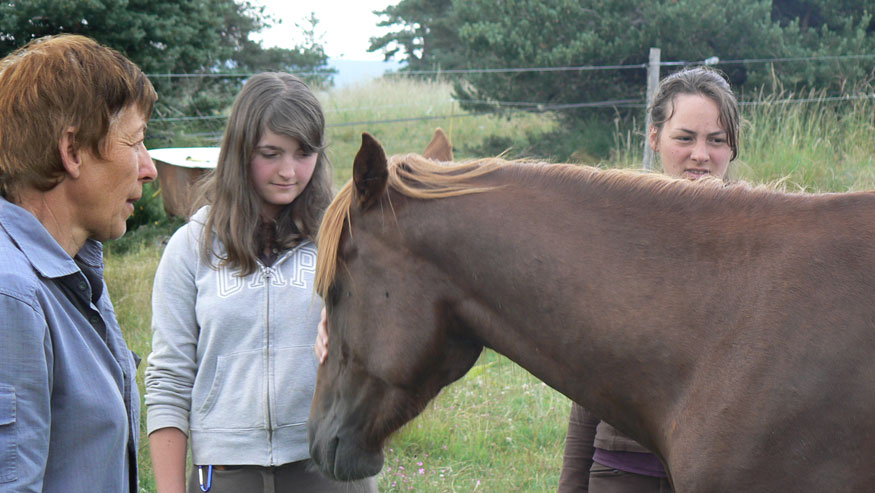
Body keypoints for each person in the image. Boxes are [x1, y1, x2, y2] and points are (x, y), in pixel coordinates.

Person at [144, 72, 377, 493]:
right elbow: (169, 379)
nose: (289, 171)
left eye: (304, 153)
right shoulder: (189, 249)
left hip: (329, 467)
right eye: (271, 153)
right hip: (226, 474)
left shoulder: (344, 240)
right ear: (239, 152)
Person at [557, 66, 740, 492]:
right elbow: (588, 382)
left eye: (716, 140)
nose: (700, 155)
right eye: (685, 138)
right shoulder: (618, 240)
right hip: (624, 471)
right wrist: (571, 485)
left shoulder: (765, 241)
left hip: (728, 472)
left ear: (732, 147)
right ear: (654, 137)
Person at [0, 34, 157, 491]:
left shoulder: (71, 271)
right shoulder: (13, 296)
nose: (148, 169)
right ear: (72, 152)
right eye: (136, 142)